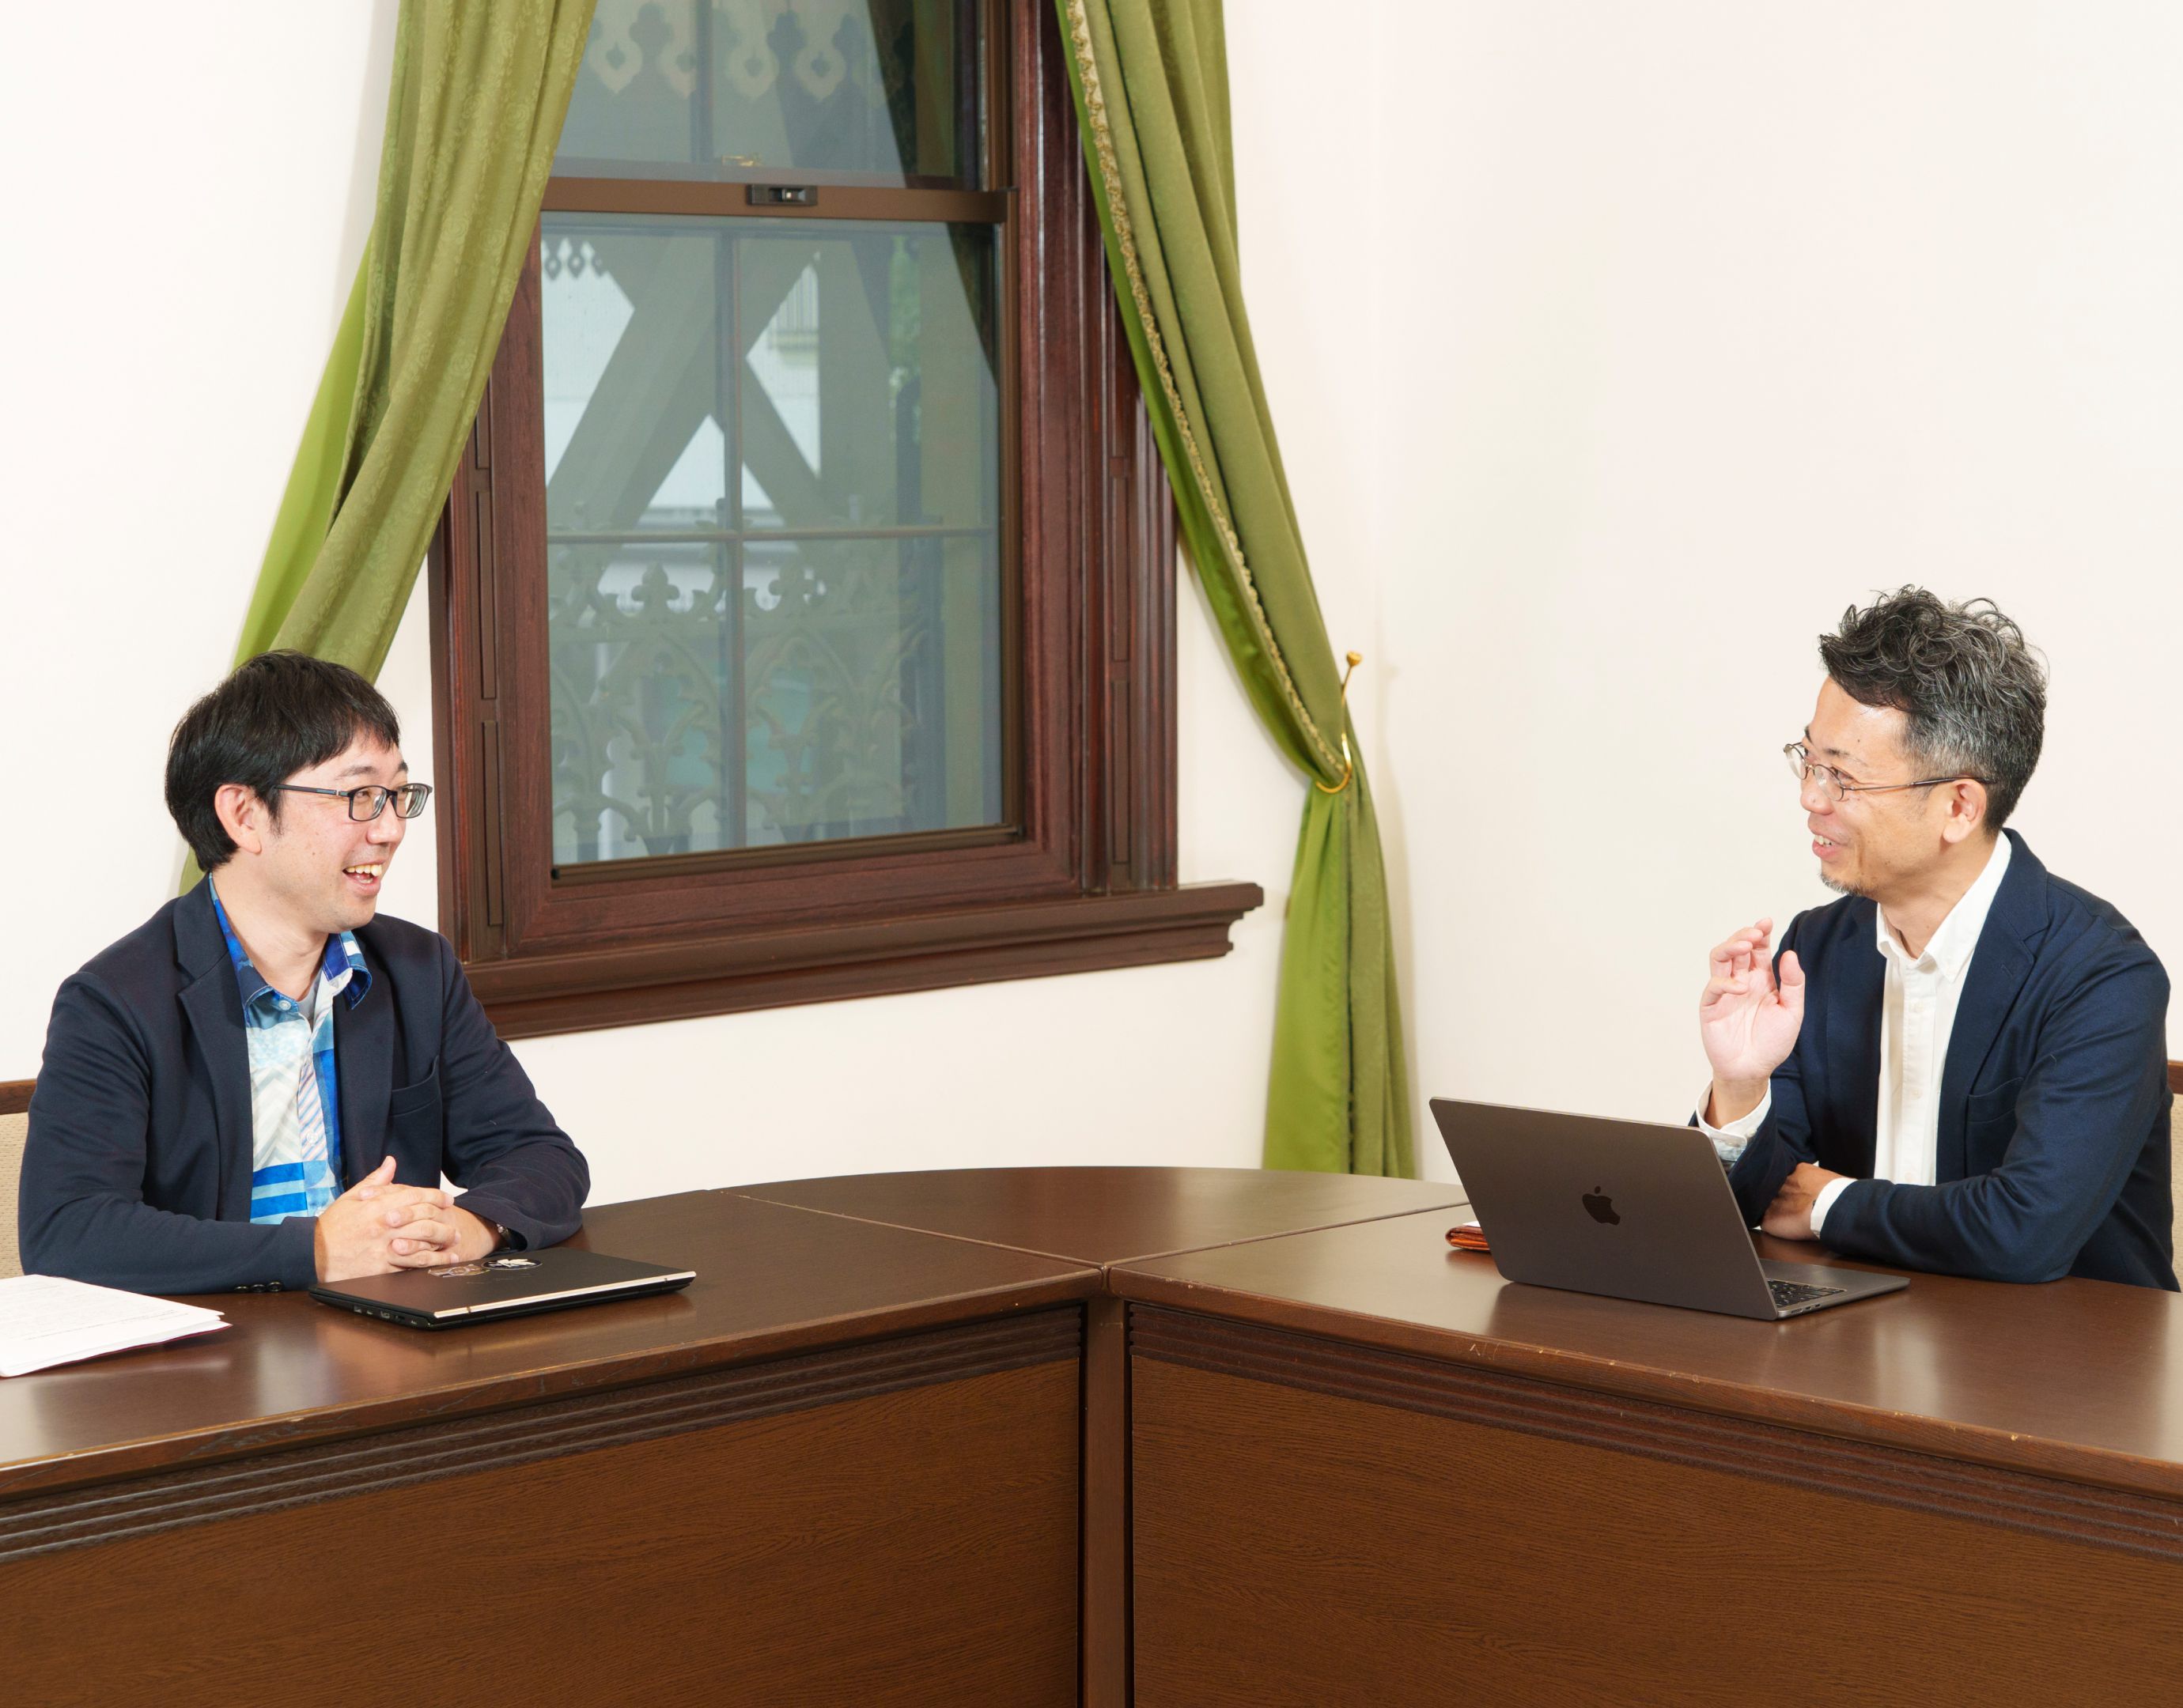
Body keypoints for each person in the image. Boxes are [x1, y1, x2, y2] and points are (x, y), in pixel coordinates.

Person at [21, 652, 588, 1294]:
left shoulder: (418, 970)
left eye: (397, 795)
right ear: (244, 815)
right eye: (360, 796)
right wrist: (316, 1251)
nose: (391, 829)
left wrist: (472, 1226)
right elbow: (68, 1233)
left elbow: (542, 1157)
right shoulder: (115, 1002)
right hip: (220, 1345)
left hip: (391, 1334)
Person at [1697, 588, 2174, 1290]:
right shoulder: (1818, 948)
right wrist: (1740, 1087)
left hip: (2060, 1351)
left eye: (1843, 776)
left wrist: (1828, 1202)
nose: (1811, 797)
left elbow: (2025, 1234)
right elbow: (1746, 1208)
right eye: (1809, 759)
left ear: (1958, 806)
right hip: (1863, 1333)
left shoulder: (2101, 977)